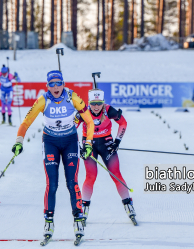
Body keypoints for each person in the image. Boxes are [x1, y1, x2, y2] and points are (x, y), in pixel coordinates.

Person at [11, 70, 95, 241]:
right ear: (47, 86)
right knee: (52, 184)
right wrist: (19, 141)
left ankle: (78, 219)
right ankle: (49, 221)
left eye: (58, 83)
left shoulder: (73, 97)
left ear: (63, 84)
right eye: (52, 84)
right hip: (50, 143)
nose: (55, 87)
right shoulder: (43, 100)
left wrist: (88, 143)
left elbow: (89, 121)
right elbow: (26, 122)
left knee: (72, 183)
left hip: (70, 141)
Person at [74, 88, 135, 223]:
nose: (96, 107)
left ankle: (128, 204)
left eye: (99, 103)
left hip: (106, 143)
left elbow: (123, 123)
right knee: (91, 176)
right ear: (89, 103)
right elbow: (72, 128)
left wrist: (117, 141)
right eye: (93, 103)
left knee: (116, 174)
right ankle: (84, 209)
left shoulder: (109, 110)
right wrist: (79, 147)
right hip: (89, 144)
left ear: (103, 102)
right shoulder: (82, 111)